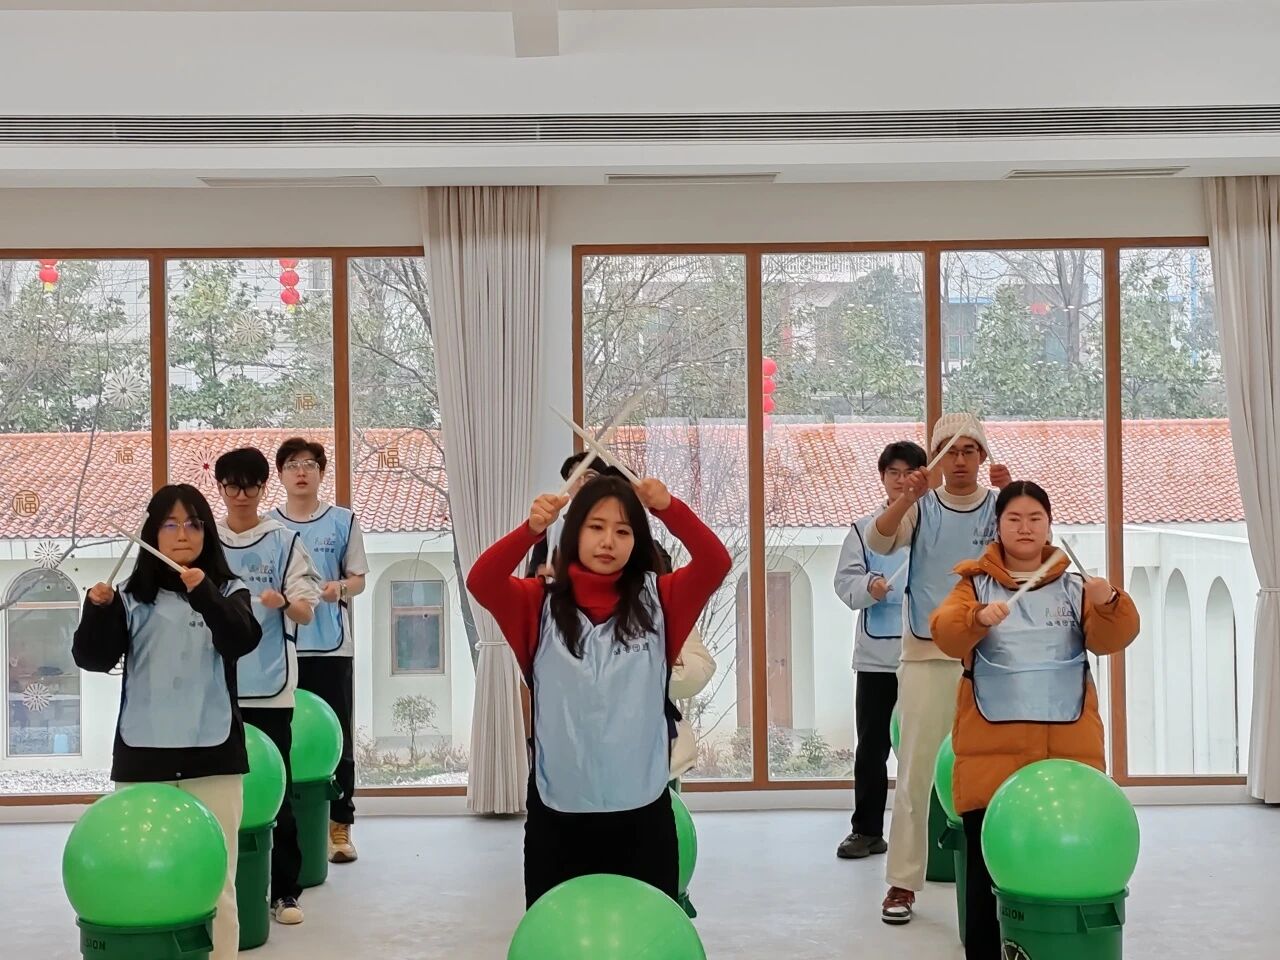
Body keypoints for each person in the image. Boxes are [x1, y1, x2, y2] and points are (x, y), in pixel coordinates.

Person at [466, 474, 731, 908]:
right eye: (596, 526)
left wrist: (668, 508)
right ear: (575, 533)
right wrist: (531, 530)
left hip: (643, 811)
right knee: (559, 932)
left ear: (636, 540)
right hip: (559, 813)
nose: (608, 541)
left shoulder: (662, 599)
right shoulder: (536, 603)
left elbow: (715, 562)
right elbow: (482, 581)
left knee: (646, 931)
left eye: (623, 531)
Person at [930, 481, 1139, 960]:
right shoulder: (972, 585)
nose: (1024, 528)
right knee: (986, 874)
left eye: (1035, 518)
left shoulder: (1076, 587)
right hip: (989, 756)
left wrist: (1110, 601)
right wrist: (977, 618)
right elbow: (945, 633)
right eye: (1014, 518)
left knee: (1066, 869)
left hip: (1066, 752)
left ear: (1049, 525)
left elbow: (1112, 638)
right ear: (997, 526)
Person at [72, 484, 262, 960]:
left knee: (217, 882)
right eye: (171, 524)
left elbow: (241, 639)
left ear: (207, 532)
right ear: (152, 533)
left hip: (213, 758)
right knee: (139, 875)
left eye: (194, 524)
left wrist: (205, 594)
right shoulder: (128, 598)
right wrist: (96, 612)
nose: (182, 535)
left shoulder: (230, 591)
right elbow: (93, 658)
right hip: (143, 758)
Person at [865, 413, 1010, 925]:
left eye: (970, 450)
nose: (961, 460)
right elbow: (880, 540)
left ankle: (1003, 876)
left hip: (990, 656)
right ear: (937, 459)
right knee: (915, 772)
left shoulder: (999, 505)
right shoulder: (921, 506)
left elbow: (1031, 549)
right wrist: (906, 496)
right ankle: (902, 882)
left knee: (995, 772)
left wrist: (1013, 492)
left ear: (983, 456)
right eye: (950, 451)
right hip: (926, 654)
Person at [215, 447, 321, 926]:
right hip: (216, 688)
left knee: (278, 790)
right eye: (232, 486)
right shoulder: (207, 539)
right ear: (220, 488)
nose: (241, 495)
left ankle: (284, 892)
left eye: (250, 486)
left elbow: (306, 611)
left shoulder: (284, 540)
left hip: (271, 686)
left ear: (263, 488)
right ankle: (221, 891)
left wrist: (282, 603)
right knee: (219, 794)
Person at [270, 437, 368, 865]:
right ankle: (283, 825)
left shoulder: (343, 521)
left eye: (309, 464)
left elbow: (358, 579)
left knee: (338, 738)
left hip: (331, 649)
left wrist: (338, 589)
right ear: (280, 475)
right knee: (282, 739)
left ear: (322, 472)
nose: (301, 472)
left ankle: (339, 825)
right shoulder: (269, 527)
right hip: (280, 650)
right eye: (292, 464)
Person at [833, 439, 927, 860]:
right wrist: (868, 587)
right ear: (883, 478)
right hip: (877, 660)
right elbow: (845, 582)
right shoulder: (862, 530)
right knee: (872, 749)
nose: (901, 481)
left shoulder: (935, 525)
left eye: (910, 473)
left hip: (929, 657)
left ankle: (927, 831)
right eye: (894, 473)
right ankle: (867, 831)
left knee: (925, 748)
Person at [524, 452, 619, 579]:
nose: (582, 483)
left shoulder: (617, 526)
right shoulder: (553, 529)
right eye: (575, 477)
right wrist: (541, 577)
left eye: (590, 477)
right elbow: (532, 576)